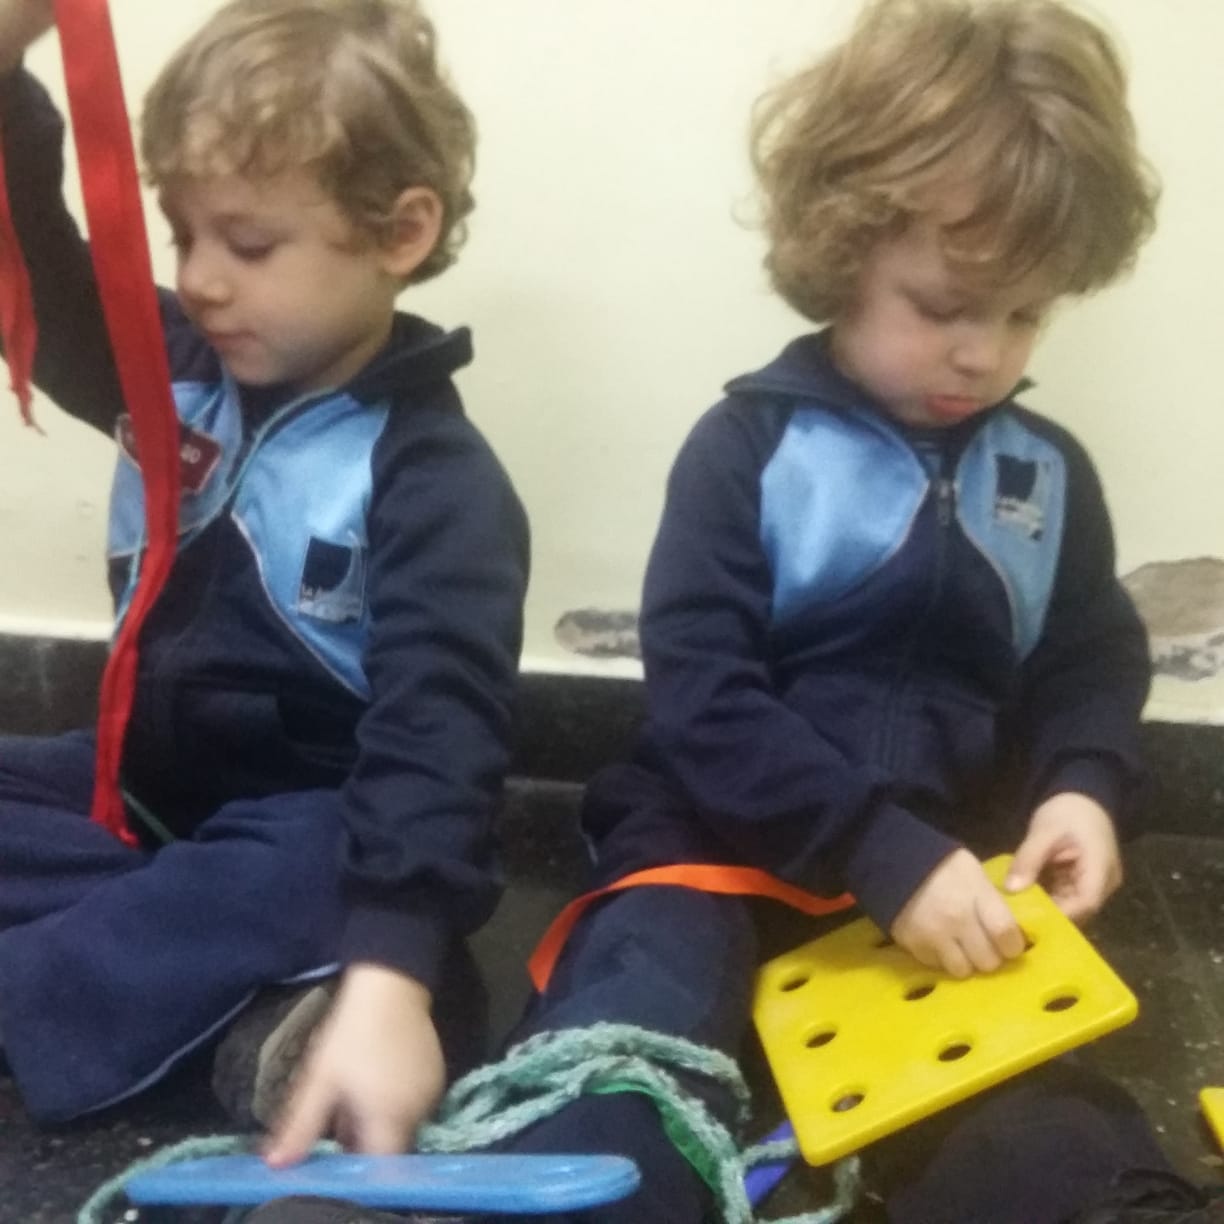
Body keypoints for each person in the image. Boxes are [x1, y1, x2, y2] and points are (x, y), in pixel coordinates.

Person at [253, 1, 1224, 1221]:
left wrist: (1083, 782)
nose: (984, 354)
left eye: (1024, 313)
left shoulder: (1046, 474)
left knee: (1040, 1125)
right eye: (941, 307)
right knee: (627, 1051)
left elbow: (1089, 655)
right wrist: (871, 847)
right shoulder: (747, 450)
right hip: (712, 851)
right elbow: (704, 695)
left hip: (947, 876)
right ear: (845, 249)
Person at [0, 0, 529, 1162]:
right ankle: (238, 1019)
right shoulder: (170, 367)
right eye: (182, 235)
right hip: (145, 805)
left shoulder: (437, 480)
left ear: (399, 232)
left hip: (320, 826)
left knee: (314, 872)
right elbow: (36, 265)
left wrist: (396, 968)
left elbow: (437, 743)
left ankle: (338, 991)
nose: (200, 281)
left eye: (246, 246)